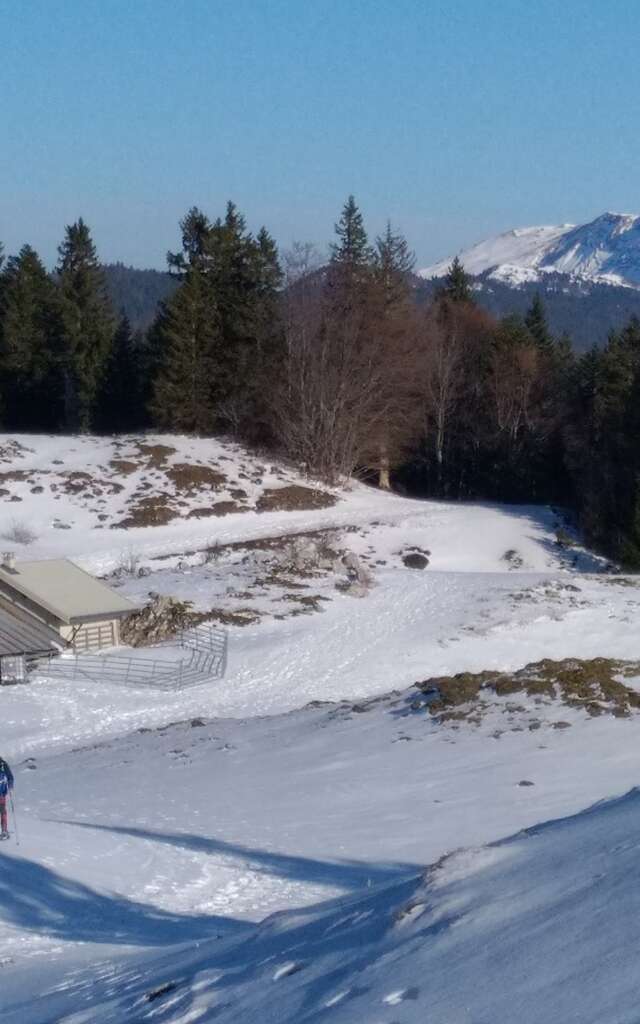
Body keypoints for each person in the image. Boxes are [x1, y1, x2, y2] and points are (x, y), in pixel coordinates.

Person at [0, 757, 14, 839]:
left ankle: (4, 831)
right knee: (2, 811)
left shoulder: (3, 764)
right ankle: (4, 831)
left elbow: (10, 777)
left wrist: (10, 786)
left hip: (1, 793)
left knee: (2, 811)